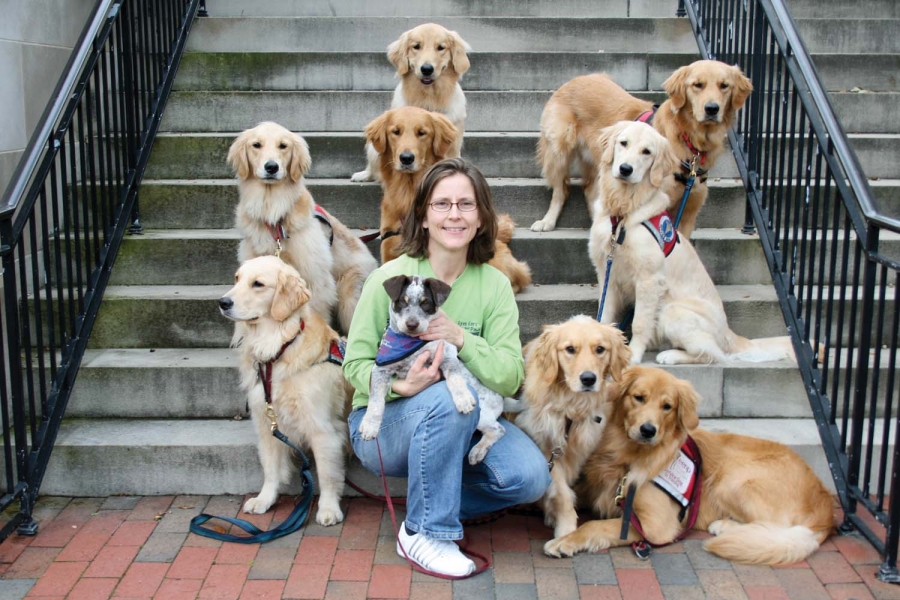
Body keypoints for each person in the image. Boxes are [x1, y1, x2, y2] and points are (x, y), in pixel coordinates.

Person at [343, 158, 550, 577]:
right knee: (444, 394)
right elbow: (353, 366)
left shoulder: (493, 285)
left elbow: (512, 376)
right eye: (441, 204)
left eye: (466, 204)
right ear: (422, 215)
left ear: (481, 218)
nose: (454, 214)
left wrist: (461, 338)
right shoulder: (391, 277)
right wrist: (405, 387)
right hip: (384, 427)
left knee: (527, 478)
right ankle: (426, 532)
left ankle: (431, 498)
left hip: (465, 420)